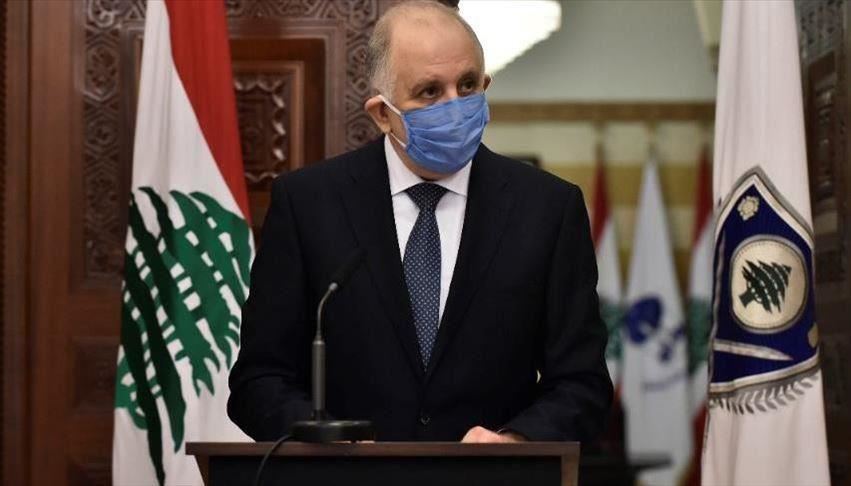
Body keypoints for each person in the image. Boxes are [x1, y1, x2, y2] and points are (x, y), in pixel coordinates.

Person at [228, 0, 612, 444]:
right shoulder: (309, 205)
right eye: (430, 92)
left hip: (494, 475)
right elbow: (259, 380)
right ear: (382, 113)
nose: (455, 105)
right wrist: (328, 443)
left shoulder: (547, 209)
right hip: (346, 475)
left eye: (468, 85)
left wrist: (516, 442)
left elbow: (583, 383)